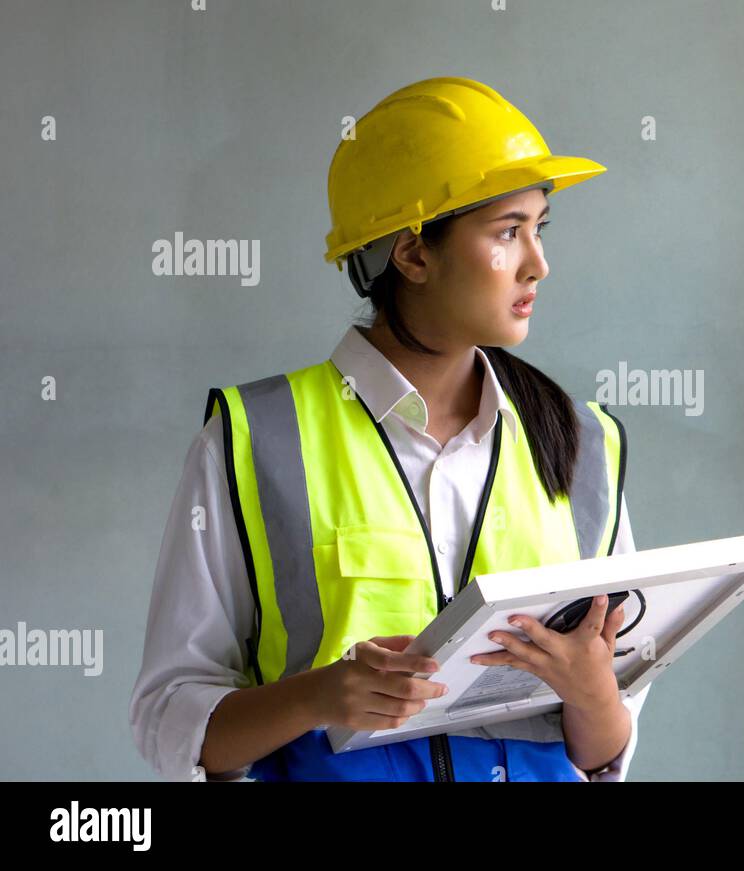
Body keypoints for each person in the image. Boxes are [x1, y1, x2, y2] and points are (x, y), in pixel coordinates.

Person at [128, 76, 649, 782]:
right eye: (507, 232)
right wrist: (319, 694)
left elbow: (602, 752)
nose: (538, 263)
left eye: (539, 227)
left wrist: (594, 695)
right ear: (412, 254)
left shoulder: (585, 447)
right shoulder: (257, 439)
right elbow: (171, 720)